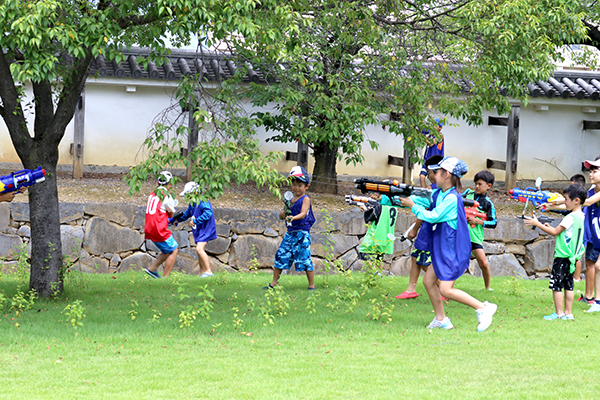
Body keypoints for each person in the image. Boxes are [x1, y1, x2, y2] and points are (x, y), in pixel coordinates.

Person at [399, 156, 497, 331]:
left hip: (450, 251)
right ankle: (441, 319)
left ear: (447, 174)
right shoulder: (440, 194)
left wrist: (413, 206)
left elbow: (433, 216)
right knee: (429, 281)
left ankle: (483, 308)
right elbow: (424, 201)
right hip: (442, 250)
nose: (433, 174)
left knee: (445, 289)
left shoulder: (452, 199)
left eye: (436, 171)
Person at [525, 184, 587, 320]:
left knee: (557, 285)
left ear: (576, 200)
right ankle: (568, 313)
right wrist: (549, 226)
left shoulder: (570, 217)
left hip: (562, 256)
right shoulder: (582, 216)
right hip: (573, 257)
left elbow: (555, 232)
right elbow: (566, 233)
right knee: (569, 285)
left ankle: (559, 313)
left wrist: (538, 224)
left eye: (566, 199)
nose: (564, 202)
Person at [396, 155, 443, 299]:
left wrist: (414, 229)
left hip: (430, 229)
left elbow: (426, 212)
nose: (428, 176)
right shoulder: (434, 188)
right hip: (425, 228)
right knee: (415, 256)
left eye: (429, 172)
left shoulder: (437, 189)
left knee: (423, 261)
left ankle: (444, 288)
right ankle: (411, 289)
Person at [264, 166, 316, 290]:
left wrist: (293, 217)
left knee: (304, 258)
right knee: (280, 255)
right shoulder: (289, 199)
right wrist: (282, 215)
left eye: (300, 185)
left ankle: (311, 285)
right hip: (290, 233)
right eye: (294, 184)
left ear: (306, 186)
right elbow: (283, 215)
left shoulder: (305, 199)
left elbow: (303, 213)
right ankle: (273, 283)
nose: (296, 188)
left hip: (302, 233)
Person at [171, 181, 218, 278]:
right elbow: (186, 215)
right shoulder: (192, 203)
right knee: (199, 250)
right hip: (200, 230)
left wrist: (195, 221)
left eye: (188, 194)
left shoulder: (202, 200)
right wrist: (176, 220)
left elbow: (208, 213)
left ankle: (208, 271)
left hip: (206, 229)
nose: (187, 197)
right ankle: (201, 272)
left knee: (199, 249)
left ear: (194, 192)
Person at [462, 170, 497, 291]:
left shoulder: (488, 204)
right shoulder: (467, 194)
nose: (477, 186)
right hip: (460, 234)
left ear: (489, 186)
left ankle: (488, 287)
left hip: (475, 237)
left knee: (483, 263)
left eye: (480, 184)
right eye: (476, 183)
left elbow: (494, 223)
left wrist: (479, 221)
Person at [143, 171, 179, 279]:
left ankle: (153, 269)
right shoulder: (166, 195)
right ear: (170, 183)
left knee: (167, 250)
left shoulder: (153, 193)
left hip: (149, 226)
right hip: (158, 227)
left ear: (158, 182)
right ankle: (166, 278)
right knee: (174, 249)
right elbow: (171, 212)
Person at [358, 191, 395, 264]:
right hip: (387, 236)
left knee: (364, 253)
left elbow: (372, 216)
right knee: (379, 258)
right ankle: (379, 275)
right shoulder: (394, 205)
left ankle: (375, 273)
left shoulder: (381, 205)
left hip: (376, 234)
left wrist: (365, 209)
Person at [419, 119, 444, 188]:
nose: (433, 126)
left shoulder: (440, 135)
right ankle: (424, 195)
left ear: (440, 128)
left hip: (435, 162)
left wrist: (421, 136)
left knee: (435, 181)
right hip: (427, 160)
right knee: (422, 177)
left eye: (435, 125)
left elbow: (430, 144)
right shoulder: (431, 135)